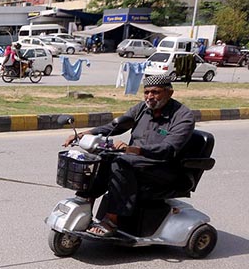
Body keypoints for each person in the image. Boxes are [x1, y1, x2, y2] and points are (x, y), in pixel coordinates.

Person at [63, 75, 195, 237]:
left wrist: (135, 149)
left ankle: (111, 220)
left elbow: (169, 148)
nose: (150, 96)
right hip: (135, 161)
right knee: (104, 157)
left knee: (120, 163)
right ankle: (85, 205)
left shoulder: (183, 116)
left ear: (169, 92)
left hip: (163, 168)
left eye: (155, 92)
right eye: (146, 92)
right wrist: (85, 134)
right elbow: (115, 126)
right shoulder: (142, 109)